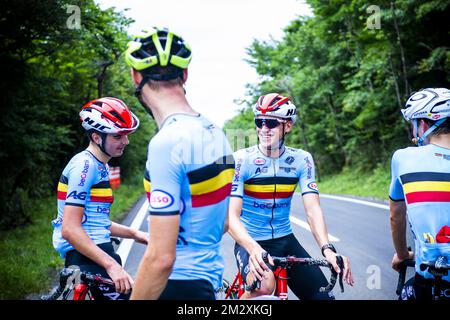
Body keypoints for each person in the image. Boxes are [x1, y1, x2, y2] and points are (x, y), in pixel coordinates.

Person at [124, 27, 234, 300]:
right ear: (185, 74)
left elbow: (161, 258)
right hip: (208, 282)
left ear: (136, 76)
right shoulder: (215, 131)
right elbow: (221, 224)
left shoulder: (167, 143)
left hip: (175, 285)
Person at [228, 93, 354, 299]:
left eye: (270, 123)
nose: (263, 129)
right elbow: (231, 216)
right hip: (250, 240)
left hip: (286, 240)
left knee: (323, 297)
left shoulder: (301, 159)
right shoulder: (241, 160)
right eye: (259, 122)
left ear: (288, 125)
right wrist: (253, 249)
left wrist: (328, 249)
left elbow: (313, 209)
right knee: (264, 286)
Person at [52, 97, 148, 300]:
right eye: (118, 136)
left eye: (126, 134)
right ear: (96, 137)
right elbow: (69, 229)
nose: (126, 141)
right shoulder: (84, 167)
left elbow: (94, 221)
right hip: (89, 255)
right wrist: (111, 265)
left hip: (95, 250)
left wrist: (138, 235)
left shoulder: (99, 165)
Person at [389, 88, 450, 300]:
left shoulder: (403, 158)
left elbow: (396, 217)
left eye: (414, 124)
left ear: (423, 124)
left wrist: (402, 254)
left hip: (432, 280)